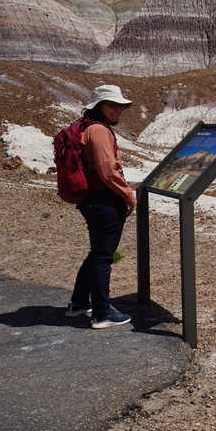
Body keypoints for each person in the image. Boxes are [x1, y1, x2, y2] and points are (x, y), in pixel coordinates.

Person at [65, 84, 137, 328]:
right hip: (104, 199)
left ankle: (78, 303)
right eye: (112, 105)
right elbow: (107, 170)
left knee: (96, 253)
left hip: (91, 199)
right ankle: (102, 313)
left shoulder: (86, 127)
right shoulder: (98, 131)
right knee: (103, 257)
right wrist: (128, 195)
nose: (117, 110)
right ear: (98, 107)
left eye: (119, 106)